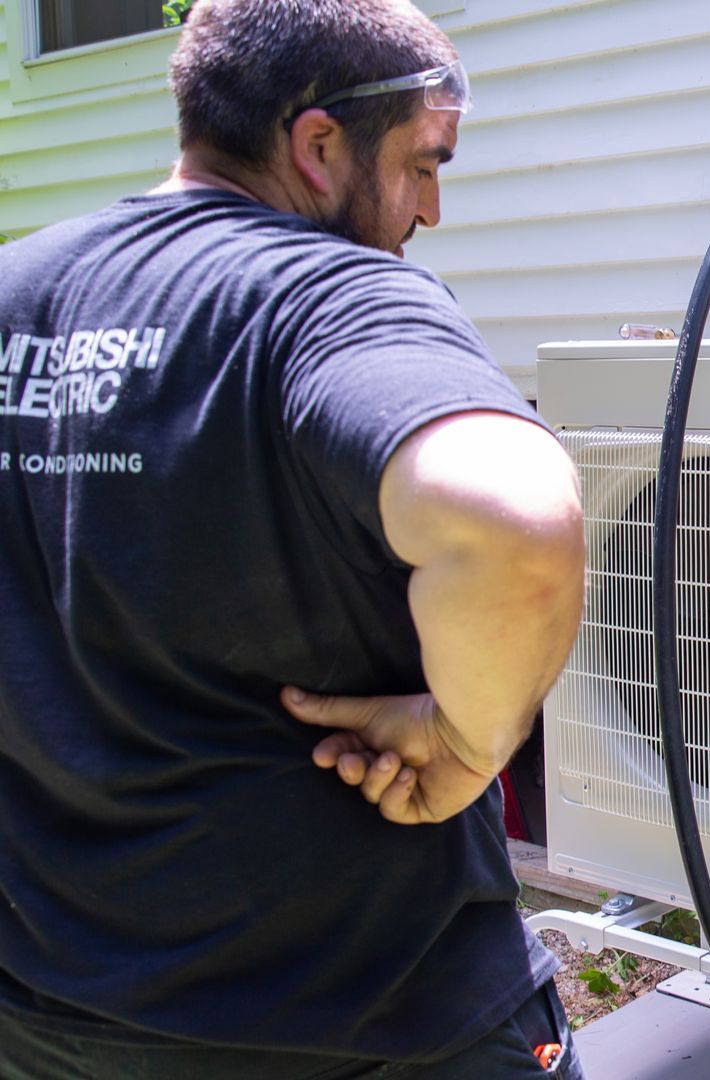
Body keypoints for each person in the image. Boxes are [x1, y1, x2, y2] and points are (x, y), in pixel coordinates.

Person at [0, 1, 588, 1077]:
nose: (433, 207)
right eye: (422, 161)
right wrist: (467, 742)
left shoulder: (14, 293)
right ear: (318, 146)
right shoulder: (328, 299)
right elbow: (519, 526)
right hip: (368, 1019)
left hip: (55, 1018)